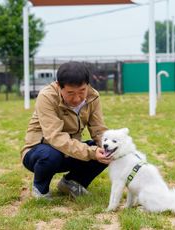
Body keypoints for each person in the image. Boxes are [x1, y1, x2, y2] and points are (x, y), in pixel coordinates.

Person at [21, 61, 111, 199]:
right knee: (50, 155)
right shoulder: (46, 96)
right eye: (70, 93)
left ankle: (72, 183)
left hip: (70, 151)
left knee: (107, 151)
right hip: (40, 151)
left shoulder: (93, 97)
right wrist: (91, 152)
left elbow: (99, 130)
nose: (77, 98)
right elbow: (55, 137)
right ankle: (41, 189)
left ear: (88, 85)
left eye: (82, 91)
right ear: (59, 86)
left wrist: (109, 148)